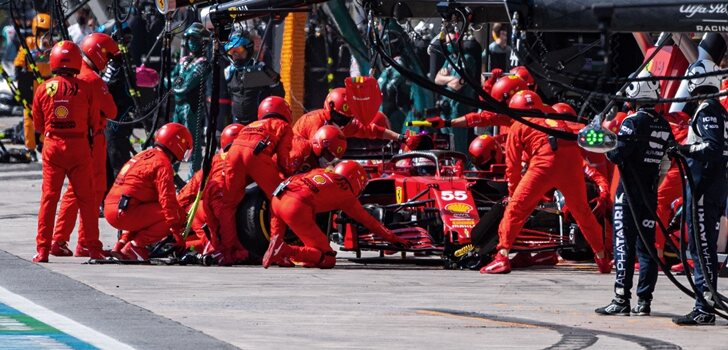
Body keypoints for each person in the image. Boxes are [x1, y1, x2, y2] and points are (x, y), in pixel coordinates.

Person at [480, 91, 610, 274]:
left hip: (544, 164)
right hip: (572, 163)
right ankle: (602, 257)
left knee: (516, 208)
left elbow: (512, 167)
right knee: (583, 212)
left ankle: (502, 256)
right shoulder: (559, 121)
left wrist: (512, 193)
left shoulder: (518, 125)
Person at [595, 69, 673, 316]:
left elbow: (618, 154)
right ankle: (644, 301)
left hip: (627, 194)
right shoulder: (663, 124)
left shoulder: (632, 121)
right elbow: (666, 163)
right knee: (647, 248)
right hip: (650, 194)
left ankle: (620, 299)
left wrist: (605, 145)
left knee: (623, 245)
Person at [263, 161, 411, 268]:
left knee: (278, 238)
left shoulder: (320, 171)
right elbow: (370, 222)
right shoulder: (346, 195)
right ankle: (284, 250)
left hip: (277, 198)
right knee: (328, 258)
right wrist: (393, 239)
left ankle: (280, 255)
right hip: (296, 206)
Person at [32, 41, 103, 262]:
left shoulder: (43, 88)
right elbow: (94, 121)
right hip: (79, 146)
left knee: (49, 199)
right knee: (87, 199)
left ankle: (43, 250)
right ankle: (93, 248)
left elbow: (37, 124)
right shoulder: (85, 87)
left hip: (53, 146)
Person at [50, 33, 120, 257]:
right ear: (98, 53)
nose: (108, 62)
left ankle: (62, 239)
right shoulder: (94, 80)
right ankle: (84, 242)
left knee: (74, 191)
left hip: (72, 139)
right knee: (93, 190)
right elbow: (112, 111)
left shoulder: (74, 73)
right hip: (93, 140)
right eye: (107, 56)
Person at [205, 96, 295, 265]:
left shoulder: (249, 125)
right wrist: (289, 176)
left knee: (228, 205)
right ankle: (276, 249)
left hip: (233, 156)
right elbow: (283, 160)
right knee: (278, 199)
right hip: (256, 155)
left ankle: (228, 251)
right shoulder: (283, 126)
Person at [671, 59, 728, 326]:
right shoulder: (718, 111)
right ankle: (704, 302)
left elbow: (712, 149)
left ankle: (704, 307)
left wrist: (683, 149)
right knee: (700, 247)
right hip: (709, 186)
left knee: (701, 247)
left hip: (704, 188)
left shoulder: (707, 111)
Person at [104, 123, 192, 261]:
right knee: (176, 214)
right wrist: (177, 234)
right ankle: (135, 246)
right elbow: (167, 202)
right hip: (124, 211)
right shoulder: (162, 163)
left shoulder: (144, 154)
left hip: (112, 206)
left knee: (146, 210)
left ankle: (121, 244)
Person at [177, 123, 244, 255]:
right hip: (224, 216)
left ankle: (188, 245)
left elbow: (191, 189)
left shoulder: (215, 160)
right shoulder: (248, 158)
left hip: (219, 214)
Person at [293, 88, 410, 144]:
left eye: (346, 119)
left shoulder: (348, 126)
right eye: (339, 117)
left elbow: (375, 130)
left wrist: (401, 138)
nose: (341, 122)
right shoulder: (315, 123)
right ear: (330, 107)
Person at [171, 23, 211, 179]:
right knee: (174, 139)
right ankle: (172, 171)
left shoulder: (203, 63)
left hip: (191, 107)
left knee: (192, 142)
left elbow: (185, 86)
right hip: (178, 106)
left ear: (202, 42)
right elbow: (170, 79)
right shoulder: (184, 60)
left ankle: (195, 174)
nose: (191, 43)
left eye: (195, 40)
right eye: (189, 39)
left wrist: (175, 84)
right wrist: (175, 84)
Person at [225, 30, 285, 125]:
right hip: (237, 124)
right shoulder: (229, 72)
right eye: (232, 51)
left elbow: (279, 94)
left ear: (248, 48)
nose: (235, 55)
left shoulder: (261, 69)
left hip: (258, 123)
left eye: (239, 50)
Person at [14, 13, 53, 161]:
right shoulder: (29, 42)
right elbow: (19, 61)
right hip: (32, 83)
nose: (44, 35)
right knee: (28, 118)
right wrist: (20, 79)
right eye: (41, 31)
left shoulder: (52, 43)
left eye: (46, 30)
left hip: (48, 83)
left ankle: (43, 142)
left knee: (47, 116)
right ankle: (29, 147)